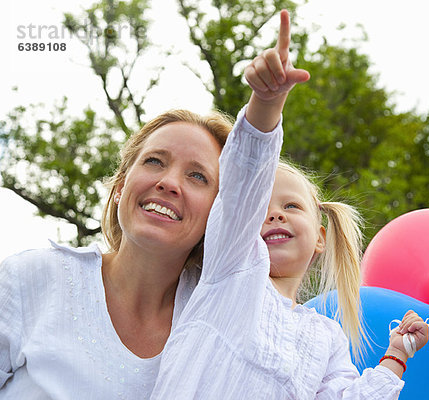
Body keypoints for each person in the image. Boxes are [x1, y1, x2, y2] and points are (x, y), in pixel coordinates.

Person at [150, 10, 429, 400]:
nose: (275, 214)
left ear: (319, 237)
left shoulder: (326, 337)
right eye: (261, 207)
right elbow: (245, 179)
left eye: (292, 207)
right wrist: (267, 103)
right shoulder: (233, 270)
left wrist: (396, 356)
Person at [0, 46, 298, 400]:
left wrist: (266, 104)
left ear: (217, 217)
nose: (169, 182)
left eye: (198, 177)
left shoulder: (215, 317)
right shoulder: (30, 279)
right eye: (155, 161)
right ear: (121, 187)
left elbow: (249, 176)